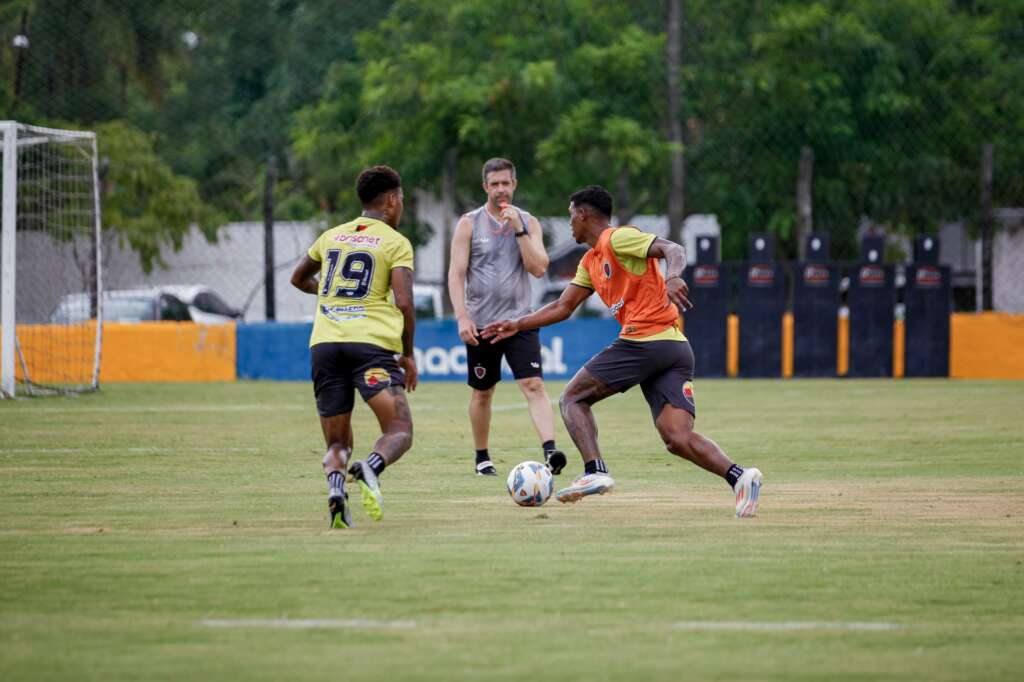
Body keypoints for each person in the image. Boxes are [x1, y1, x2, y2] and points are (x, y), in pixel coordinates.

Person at [482, 185, 763, 517]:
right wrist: (519, 324)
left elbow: (673, 248)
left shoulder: (617, 239)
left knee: (572, 399)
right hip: (673, 347)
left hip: (645, 341)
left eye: (571, 215)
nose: (570, 223)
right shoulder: (590, 260)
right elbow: (563, 306)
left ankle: (595, 471)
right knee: (676, 437)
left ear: (582, 214)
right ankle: (741, 477)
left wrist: (673, 277)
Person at [290, 165, 417, 528]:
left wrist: (329, 294)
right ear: (392, 200)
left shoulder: (331, 235)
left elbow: (298, 278)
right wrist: (408, 354)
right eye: (402, 199)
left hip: (325, 346)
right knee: (399, 430)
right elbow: (405, 302)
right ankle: (371, 467)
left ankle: (335, 490)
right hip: (370, 347)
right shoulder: (395, 242)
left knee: (337, 443)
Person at [448, 157, 567, 477]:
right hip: (482, 324)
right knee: (483, 391)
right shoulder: (469, 223)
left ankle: (550, 451)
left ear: (514, 185)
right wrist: (462, 317)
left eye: (506, 183)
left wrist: (519, 229)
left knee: (533, 385)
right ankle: (482, 457)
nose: (501, 189)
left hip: (519, 321)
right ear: (485, 186)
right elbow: (456, 274)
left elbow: (539, 268)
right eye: (494, 183)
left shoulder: (528, 221)